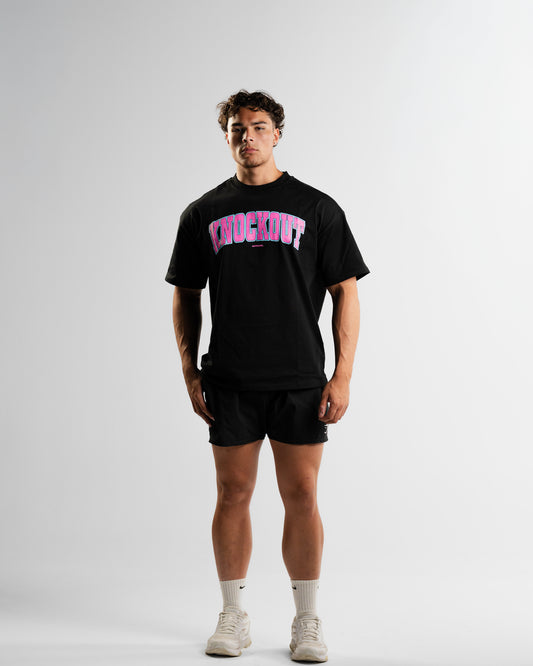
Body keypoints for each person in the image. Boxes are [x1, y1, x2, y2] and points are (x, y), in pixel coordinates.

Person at [165, 89, 370, 662]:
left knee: (301, 494)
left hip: (299, 377)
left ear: (277, 134)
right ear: (227, 137)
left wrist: (342, 376)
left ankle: (307, 620)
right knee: (232, 493)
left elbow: (346, 292)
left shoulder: (317, 208)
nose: (248, 136)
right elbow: (185, 294)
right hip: (230, 378)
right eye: (238, 128)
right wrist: (189, 370)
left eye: (258, 126)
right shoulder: (203, 213)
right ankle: (233, 614)